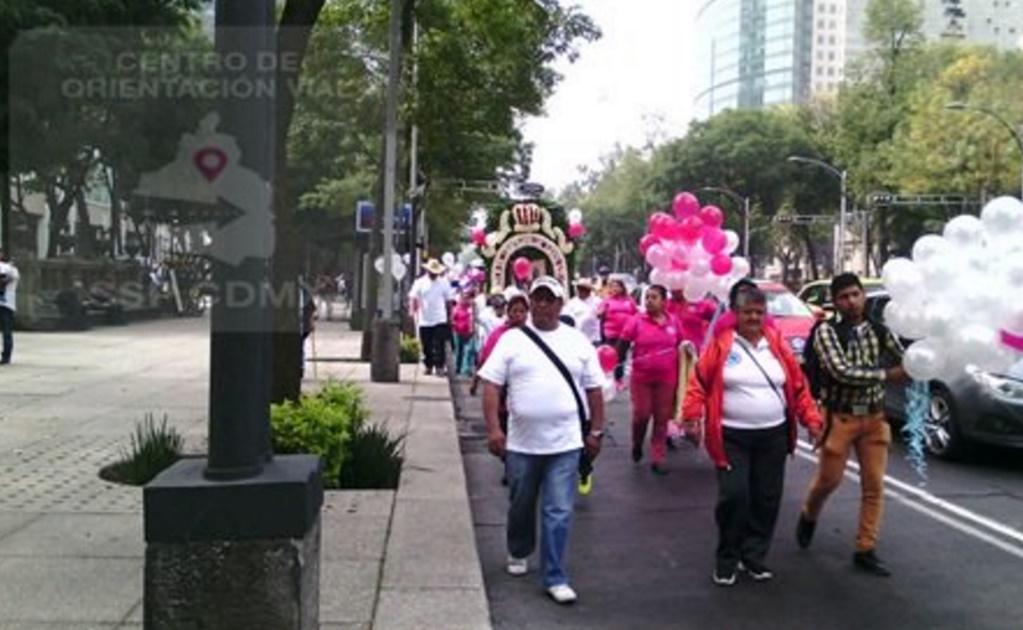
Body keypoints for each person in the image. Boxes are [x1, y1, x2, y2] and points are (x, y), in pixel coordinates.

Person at [478, 276, 606, 605]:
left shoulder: (577, 342)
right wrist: (494, 429)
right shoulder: (512, 340)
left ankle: (555, 575)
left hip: (566, 443)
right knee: (521, 503)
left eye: (549, 300)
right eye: (537, 299)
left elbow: (595, 389)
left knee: (558, 509)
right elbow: (491, 386)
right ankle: (519, 549)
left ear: (560, 305)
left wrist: (596, 430)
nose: (542, 305)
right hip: (522, 444)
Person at [683, 285, 823, 586]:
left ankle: (754, 556)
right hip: (732, 438)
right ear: (736, 314)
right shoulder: (722, 345)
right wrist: (691, 417)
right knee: (735, 497)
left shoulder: (777, 344)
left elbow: (798, 387)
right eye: (748, 312)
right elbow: (699, 383)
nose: (754, 317)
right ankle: (727, 558)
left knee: (766, 498)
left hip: (772, 437)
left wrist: (811, 420)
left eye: (759, 312)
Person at [795, 273, 907, 577]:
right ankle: (809, 513)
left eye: (856, 294)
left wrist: (918, 360)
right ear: (835, 301)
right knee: (828, 480)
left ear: (863, 296)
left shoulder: (879, 330)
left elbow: (905, 360)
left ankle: (865, 548)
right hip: (840, 417)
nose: (852, 301)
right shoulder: (826, 332)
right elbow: (841, 371)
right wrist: (887, 375)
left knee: (874, 485)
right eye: (844, 296)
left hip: (874, 418)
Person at [617, 284, 685, 475]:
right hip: (641, 378)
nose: (649, 301)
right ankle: (637, 444)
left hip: (667, 378)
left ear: (665, 301)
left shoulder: (674, 322)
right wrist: (617, 369)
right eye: (647, 297)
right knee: (642, 415)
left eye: (654, 297)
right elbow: (622, 345)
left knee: (662, 418)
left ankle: (658, 458)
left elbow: (682, 347)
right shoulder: (636, 321)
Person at [407, 258, 454, 376]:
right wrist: (412, 310)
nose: (434, 275)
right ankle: (428, 365)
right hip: (425, 318)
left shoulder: (444, 282)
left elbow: (449, 300)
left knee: (439, 344)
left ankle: (439, 366)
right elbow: (413, 297)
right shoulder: (420, 282)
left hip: (440, 318)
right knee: (426, 344)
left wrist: (450, 315)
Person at [596, 278, 637, 384]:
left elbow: (636, 314)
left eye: (617, 286)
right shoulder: (607, 300)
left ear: (622, 287)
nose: (614, 288)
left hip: (626, 334)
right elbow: (598, 314)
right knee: (610, 355)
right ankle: (609, 377)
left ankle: (618, 378)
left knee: (621, 356)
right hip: (611, 333)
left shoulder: (629, 300)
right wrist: (602, 313)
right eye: (612, 286)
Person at [564, 278, 601, 345]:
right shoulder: (571, 303)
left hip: (594, 338)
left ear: (589, 290)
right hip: (577, 338)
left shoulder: (597, 301)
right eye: (579, 288)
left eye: (584, 289)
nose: (581, 291)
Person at [0, 250, 19, 365]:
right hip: (7, 304)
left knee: (7, 331)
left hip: (6, 304)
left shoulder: (10, 269)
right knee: (7, 331)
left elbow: (11, 279)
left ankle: (6, 356)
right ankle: (6, 356)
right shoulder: (12, 269)